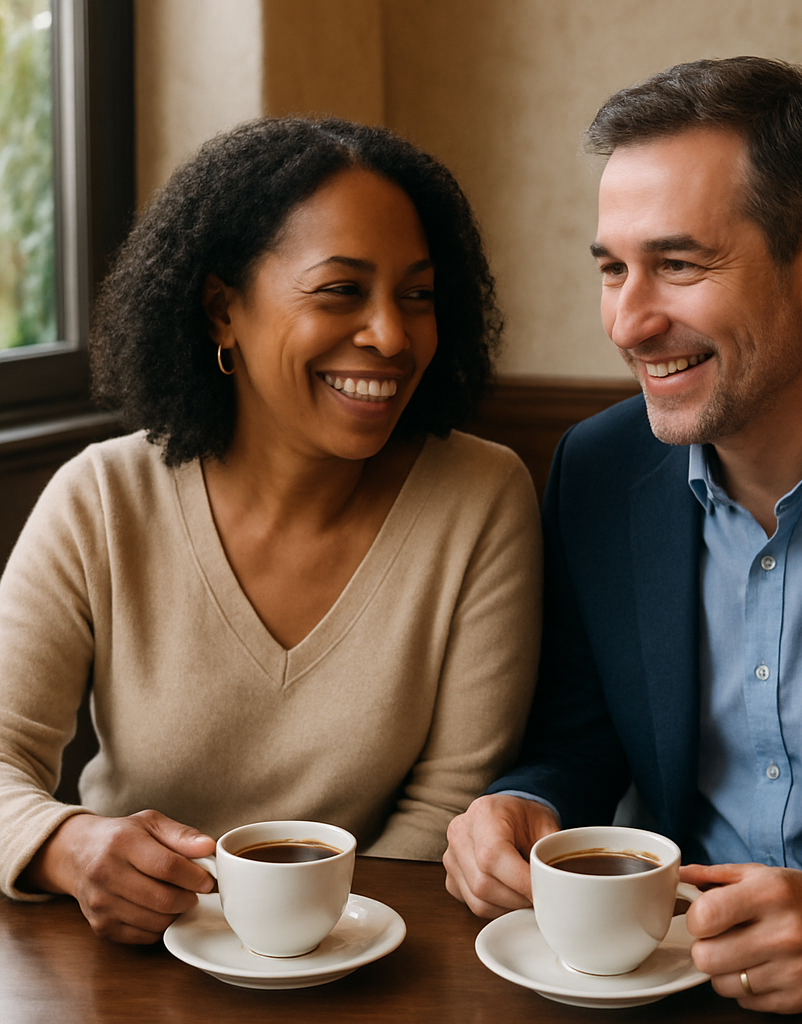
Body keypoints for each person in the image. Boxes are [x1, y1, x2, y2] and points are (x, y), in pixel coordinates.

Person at [443, 57, 802, 1014]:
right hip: (667, 979)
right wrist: (526, 806)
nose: (630, 322)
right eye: (612, 269)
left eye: (678, 264)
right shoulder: (597, 472)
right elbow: (578, 744)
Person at [0, 117, 543, 945]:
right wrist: (70, 848)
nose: (392, 335)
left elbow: (448, 806)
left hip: (370, 954)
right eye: (340, 290)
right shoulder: (102, 499)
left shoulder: (482, 498)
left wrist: (300, 946)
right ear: (223, 310)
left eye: (419, 294)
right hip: (129, 959)